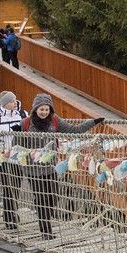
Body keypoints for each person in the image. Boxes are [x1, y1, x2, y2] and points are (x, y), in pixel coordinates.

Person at [20, 92, 103, 239]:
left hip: (50, 166)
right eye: (41, 109)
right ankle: (46, 231)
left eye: (46, 109)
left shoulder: (55, 121)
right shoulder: (26, 123)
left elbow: (74, 130)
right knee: (41, 198)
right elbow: (17, 144)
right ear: (35, 109)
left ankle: (45, 219)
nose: (44, 112)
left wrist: (93, 122)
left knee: (52, 196)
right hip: (32, 168)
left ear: (50, 109)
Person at [0, 91, 29, 235]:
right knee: (7, 186)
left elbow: (29, 129)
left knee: (16, 186)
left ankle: (12, 212)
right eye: (11, 101)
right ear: (4, 103)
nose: (14, 103)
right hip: (2, 157)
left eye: (15, 100)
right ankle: (9, 217)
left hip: (18, 156)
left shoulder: (22, 114)